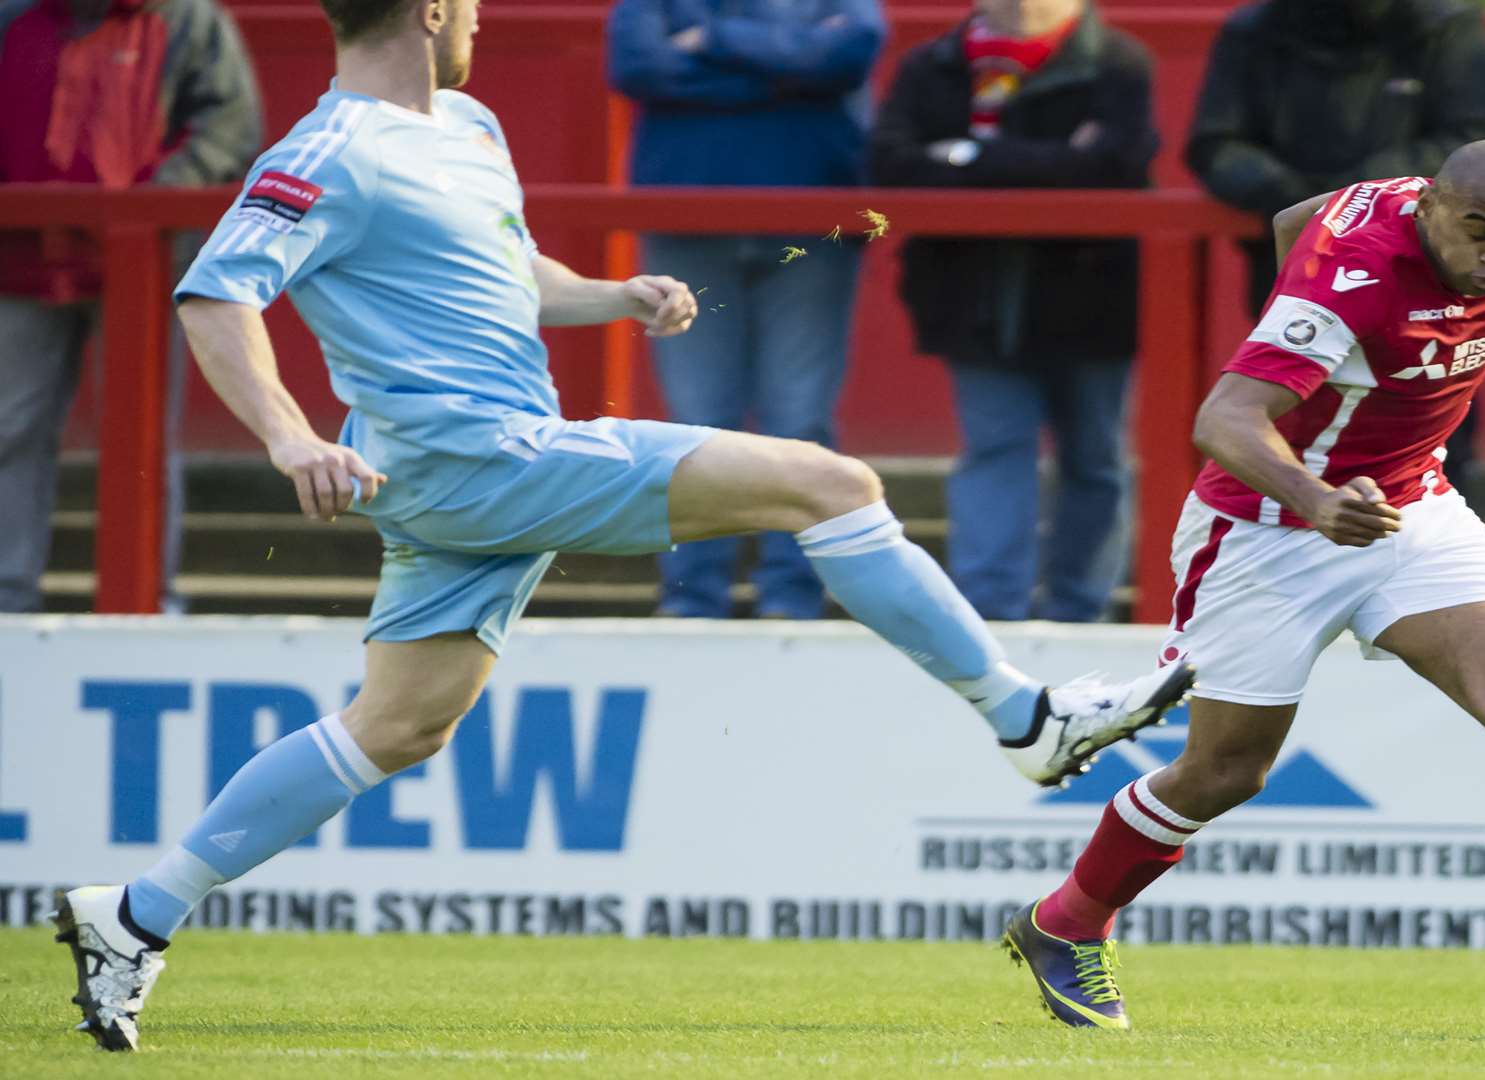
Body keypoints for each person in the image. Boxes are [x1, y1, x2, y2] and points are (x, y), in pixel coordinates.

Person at [46, 0, 1194, 1051]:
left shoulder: (467, 122)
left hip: (459, 482)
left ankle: (136, 913)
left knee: (396, 729)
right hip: (481, 457)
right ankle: (1025, 719)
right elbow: (216, 292)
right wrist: (292, 437)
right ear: (434, 11)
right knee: (829, 483)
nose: (481, 28)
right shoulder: (328, 150)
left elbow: (497, 272)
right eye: (475, 10)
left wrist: (612, 297)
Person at [1001, 142, 1485, 1032]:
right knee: (1226, 771)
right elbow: (1222, 419)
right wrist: (1315, 490)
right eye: (1480, 233)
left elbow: (1290, 222)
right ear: (1432, 207)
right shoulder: (1352, 285)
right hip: (1266, 532)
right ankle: (1064, 922)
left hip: (1410, 507)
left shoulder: (1404, 204)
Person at [868, 0, 1156, 622]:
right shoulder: (933, 65)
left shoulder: (1117, 62)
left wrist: (967, 155)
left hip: (1093, 295)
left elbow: (1116, 166)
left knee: (1097, 458)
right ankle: (991, 617)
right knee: (995, 449)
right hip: (971, 296)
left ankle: (1082, 613)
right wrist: (1053, 160)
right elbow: (890, 164)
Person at [606, 0, 884, 619]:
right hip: (687, 213)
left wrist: (709, 41)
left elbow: (846, 56)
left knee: (801, 415)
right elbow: (637, 65)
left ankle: (791, 595)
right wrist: (786, 64)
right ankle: (692, 596)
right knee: (697, 423)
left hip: (814, 218)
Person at [0, 0, 261, 612]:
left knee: (140, 439)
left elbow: (231, 125)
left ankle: (146, 596)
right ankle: (6, 598)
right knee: (8, 428)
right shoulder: (17, 17)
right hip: (19, 259)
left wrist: (151, 201)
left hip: (142, 266)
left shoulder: (189, 21)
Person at [1184, 0, 1485, 319]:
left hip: (1419, 259)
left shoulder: (1446, 26)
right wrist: (1295, 198)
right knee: (1288, 366)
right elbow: (1216, 143)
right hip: (1290, 256)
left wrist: (1355, 197)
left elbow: (1471, 141)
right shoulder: (1254, 29)